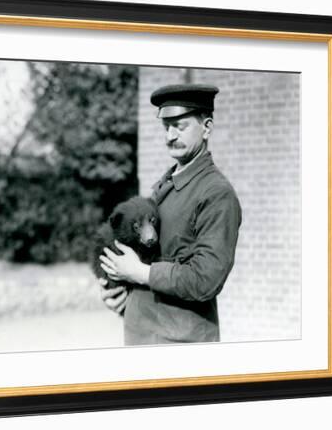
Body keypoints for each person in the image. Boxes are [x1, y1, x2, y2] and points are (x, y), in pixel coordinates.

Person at [99, 84, 242, 344]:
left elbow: (205, 279)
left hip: (180, 346)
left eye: (181, 126)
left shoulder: (216, 194)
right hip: (140, 338)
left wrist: (139, 273)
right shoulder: (162, 188)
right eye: (166, 126)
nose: (170, 135)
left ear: (207, 127)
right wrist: (120, 293)